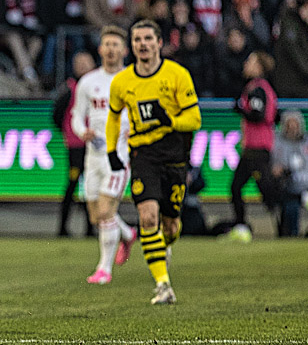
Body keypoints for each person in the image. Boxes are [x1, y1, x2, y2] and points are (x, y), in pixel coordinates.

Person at [107, 19, 201, 305]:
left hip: (173, 154)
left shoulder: (177, 74)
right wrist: (113, 150)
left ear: (159, 43)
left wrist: (170, 120)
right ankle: (163, 284)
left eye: (148, 39)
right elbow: (113, 117)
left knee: (170, 226)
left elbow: (194, 119)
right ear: (131, 46)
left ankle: (164, 246)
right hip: (143, 155)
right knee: (148, 217)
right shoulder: (122, 81)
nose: (143, 44)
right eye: (137, 40)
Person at [71, 27, 138, 285]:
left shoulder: (131, 79)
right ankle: (127, 234)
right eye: (106, 44)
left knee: (106, 211)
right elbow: (77, 114)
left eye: (115, 45)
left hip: (119, 156)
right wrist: (82, 131)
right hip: (93, 156)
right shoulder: (88, 82)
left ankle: (104, 269)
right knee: (95, 215)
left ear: (124, 50)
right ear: (100, 49)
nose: (110, 49)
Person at [229, 52, 280, 235]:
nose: (246, 64)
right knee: (241, 187)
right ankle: (242, 225)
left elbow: (257, 115)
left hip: (256, 148)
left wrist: (241, 110)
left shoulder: (257, 89)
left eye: (250, 61)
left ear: (259, 66)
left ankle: (285, 222)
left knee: (264, 189)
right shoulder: (261, 88)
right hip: (255, 148)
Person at [52, 51, 94, 237]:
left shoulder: (96, 87)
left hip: (94, 145)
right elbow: (56, 114)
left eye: (86, 62)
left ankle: (90, 228)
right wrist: (67, 133)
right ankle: (63, 227)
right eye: (80, 63)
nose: (83, 66)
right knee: (74, 184)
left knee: (90, 187)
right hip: (76, 146)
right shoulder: (70, 89)